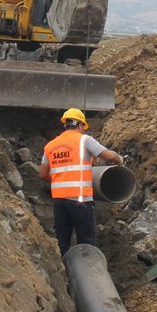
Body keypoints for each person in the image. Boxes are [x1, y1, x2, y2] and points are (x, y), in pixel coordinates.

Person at [39, 107, 123, 255]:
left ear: (65, 124)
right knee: (86, 242)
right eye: (83, 127)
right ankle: (87, 271)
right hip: (80, 200)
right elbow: (110, 157)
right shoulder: (85, 140)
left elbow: (43, 174)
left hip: (59, 201)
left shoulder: (51, 146)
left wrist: (61, 182)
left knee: (62, 240)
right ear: (80, 125)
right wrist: (119, 159)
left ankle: (64, 273)